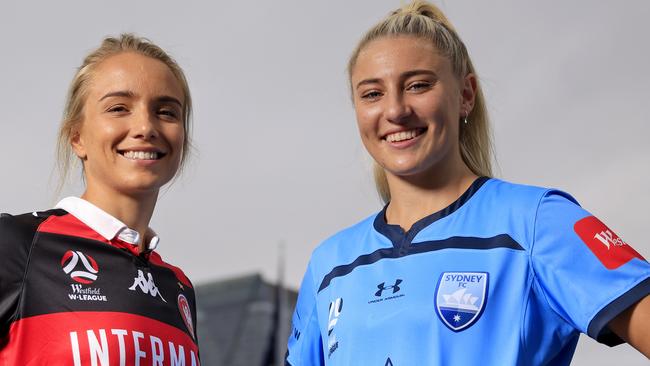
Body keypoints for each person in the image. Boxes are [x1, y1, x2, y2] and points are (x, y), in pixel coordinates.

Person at [286, 2, 650, 365]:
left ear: (465, 95)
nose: (395, 110)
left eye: (417, 85)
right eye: (372, 93)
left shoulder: (535, 223)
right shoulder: (330, 265)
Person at [0, 34, 200, 365]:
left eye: (166, 112)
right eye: (119, 108)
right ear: (77, 137)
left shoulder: (178, 286)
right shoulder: (18, 244)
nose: (145, 126)